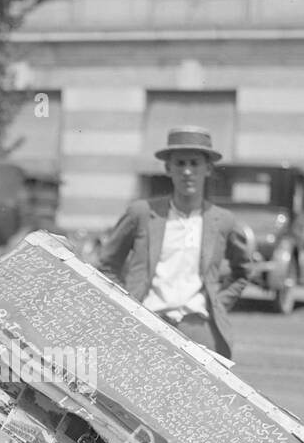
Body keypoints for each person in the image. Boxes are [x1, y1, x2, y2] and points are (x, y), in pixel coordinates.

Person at [97, 126, 252, 358]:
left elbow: (242, 271)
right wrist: (126, 304)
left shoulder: (223, 221)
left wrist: (217, 304)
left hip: (200, 330)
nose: (187, 171)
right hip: (146, 325)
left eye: (194, 163)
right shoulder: (142, 213)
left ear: (208, 168)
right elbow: (107, 265)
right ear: (168, 168)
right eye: (180, 163)